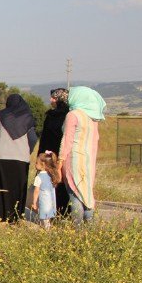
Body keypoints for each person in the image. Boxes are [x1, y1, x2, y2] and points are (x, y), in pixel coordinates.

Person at [0, 94, 39, 223]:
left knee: (2, 188)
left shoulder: (0, 116)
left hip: (1, 156)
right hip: (21, 158)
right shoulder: (27, 118)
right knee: (18, 189)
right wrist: (28, 150)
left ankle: (1, 219)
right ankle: (16, 218)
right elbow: (33, 138)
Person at [59, 86, 106, 225]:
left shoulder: (73, 115)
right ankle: (91, 226)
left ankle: (77, 227)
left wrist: (60, 160)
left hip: (74, 159)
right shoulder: (93, 118)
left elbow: (67, 139)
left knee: (75, 194)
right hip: (89, 161)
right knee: (87, 194)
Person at [38, 88, 70, 217]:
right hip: (63, 154)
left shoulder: (52, 116)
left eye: (54, 98)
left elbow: (45, 138)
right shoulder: (69, 115)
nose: (51, 100)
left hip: (50, 155)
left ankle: (52, 213)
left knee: (51, 183)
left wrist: (40, 156)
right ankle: (64, 214)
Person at [31, 151, 61, 229]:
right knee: (47, 219)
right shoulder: (51, 175)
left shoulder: (39, 177)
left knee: (44, 220)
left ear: (43, 164)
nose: (35, 164)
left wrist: (34, 202)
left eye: (37, 163)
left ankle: (47, 234)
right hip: (51, 203)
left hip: (44, 202)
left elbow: (36, 191)